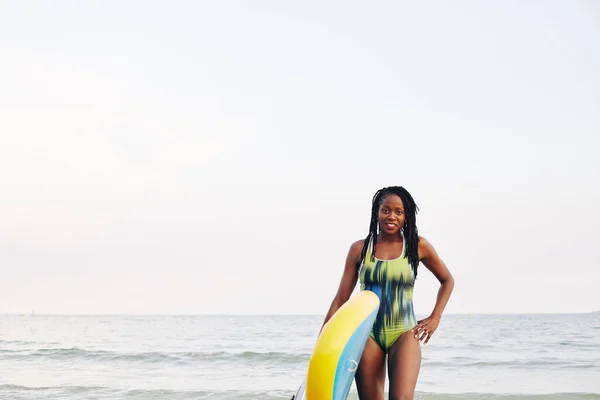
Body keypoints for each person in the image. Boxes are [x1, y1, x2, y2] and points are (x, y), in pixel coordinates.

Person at [320, 186, 454, 400]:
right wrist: (324, 338)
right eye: (386, 210)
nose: (391, 216)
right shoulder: (360, 249)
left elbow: (447, 280)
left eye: (398, 212)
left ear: (406, 215)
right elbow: (341, 298)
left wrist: (435, 318)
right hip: (367, 333)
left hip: (404, 331)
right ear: (377, 212)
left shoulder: (418, 246)